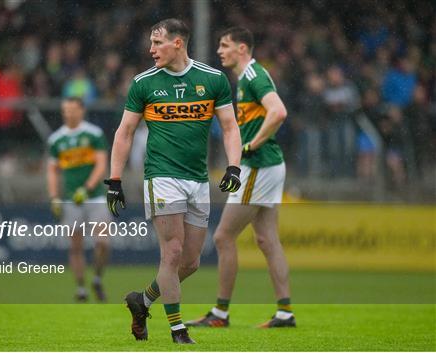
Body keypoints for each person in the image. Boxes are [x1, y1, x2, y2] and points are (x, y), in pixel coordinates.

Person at [104, 18, 242, 344]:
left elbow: (230, 127)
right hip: (161, 176)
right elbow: (124, 133)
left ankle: (143, 300)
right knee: (172, 252)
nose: (151, 50)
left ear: (177, 43)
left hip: (198, 178)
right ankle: (178, 330)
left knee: (191, 261)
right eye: (151, 43)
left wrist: (233, 166)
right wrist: (114, 180)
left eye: (157, 43)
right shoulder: (143, 83)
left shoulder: (212, 80)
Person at [186, 27, 295, 329]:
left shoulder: (253, 76)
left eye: (225, 45)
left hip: (258, 165)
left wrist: (251, 145)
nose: (220, 51)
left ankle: (220, 313)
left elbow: (279, 112)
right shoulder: (248, 77)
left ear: (242, 48)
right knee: (267, 239)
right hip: (269, 165)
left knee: (223, 236)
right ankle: (285, 312)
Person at [47, 97, 110, 302]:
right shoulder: (56, 139)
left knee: (102, 243)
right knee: (75, 246)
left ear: (81, 111)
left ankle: (98, 278)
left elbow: (101, 165)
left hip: (95, 198)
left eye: (72, 110)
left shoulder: (93, 134)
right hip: (70, 201)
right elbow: (53, 171)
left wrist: (87, 188)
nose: (69, 114)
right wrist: (54, 197)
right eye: (65, 110)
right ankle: (82, 288)